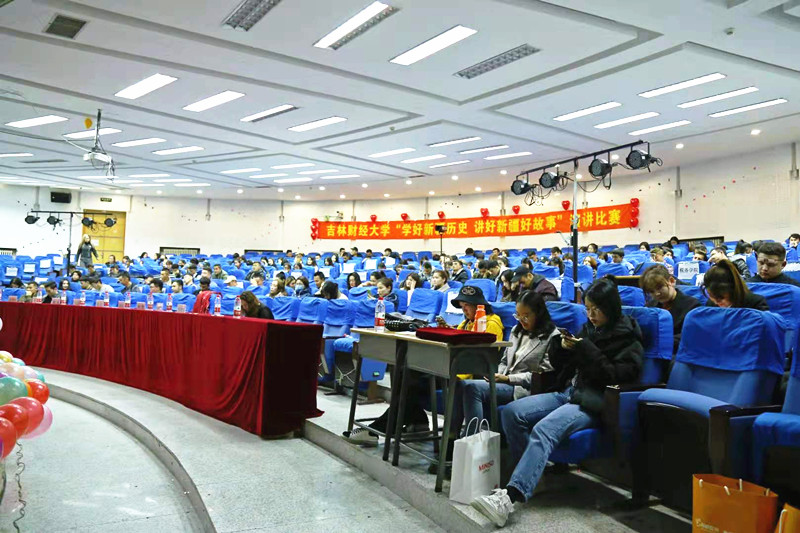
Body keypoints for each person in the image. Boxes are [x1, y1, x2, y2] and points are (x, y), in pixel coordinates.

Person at [472, 279, 643, 527]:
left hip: (592, 401)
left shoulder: (628, 339)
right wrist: (561, 347)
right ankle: (529, 476)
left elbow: (617, 375)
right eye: (588, 309)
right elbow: (563, 365)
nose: (591, 315)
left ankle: (509, 499)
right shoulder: (589, 330)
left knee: (544, 429)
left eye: (596, 309)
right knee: (511, 413)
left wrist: (587, 350)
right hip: (568, 392)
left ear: (610, 307)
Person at [448, 291, 560, 441]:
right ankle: (451, 437)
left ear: (538, 314)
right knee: (461, 385)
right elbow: (504, 361)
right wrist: (497, 375)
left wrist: (508, 379)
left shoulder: (552, 336)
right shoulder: (516, 331)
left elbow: (542, 376)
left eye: (526, 316)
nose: (521, 320)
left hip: (523, 387)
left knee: (472, 388)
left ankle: (471, 440)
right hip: (503, 380)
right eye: (518, 316)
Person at [640, 265, 701, 354]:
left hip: (679, 353)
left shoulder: (693, 306)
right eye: (652, 291)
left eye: (659, 287)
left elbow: (690, 336)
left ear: (671, 281)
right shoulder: (649, 307)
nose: (657, 294)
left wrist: (658, 341)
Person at [704, 259, 769, 310]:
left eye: (720, 298)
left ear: (733, 290)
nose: (715, 302)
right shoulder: (710, 305)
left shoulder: (756, 303)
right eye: (711, 296)